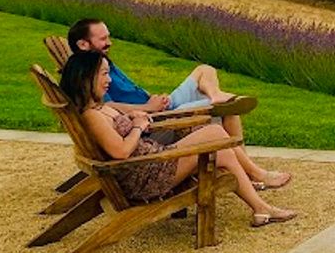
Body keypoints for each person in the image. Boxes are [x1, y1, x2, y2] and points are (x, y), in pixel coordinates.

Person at [59, 49, 296, 227]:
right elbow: (120, 152)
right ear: (86, 77)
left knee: (212, 136)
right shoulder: (91, 116)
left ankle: (259, 203)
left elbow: (117, 127)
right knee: (215, 136)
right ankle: (259, 193)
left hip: (151, 162)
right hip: (147, 175)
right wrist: (138, 128)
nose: (109, 80)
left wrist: (134, 117)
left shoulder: (99, 108)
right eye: (104, 74)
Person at [68, 17, 290, 191]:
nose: (109, 42)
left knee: (204, 70)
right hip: (154, 122)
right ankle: (253, 173)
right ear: (83, 44)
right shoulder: (89, 77)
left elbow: (123, 99)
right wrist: (147, 110)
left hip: (154, 109)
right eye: (103, 39)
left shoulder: (102, 65)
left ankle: (215, 95)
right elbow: (110, 110)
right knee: (227, 111)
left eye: (108, 37)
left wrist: (153, 99)